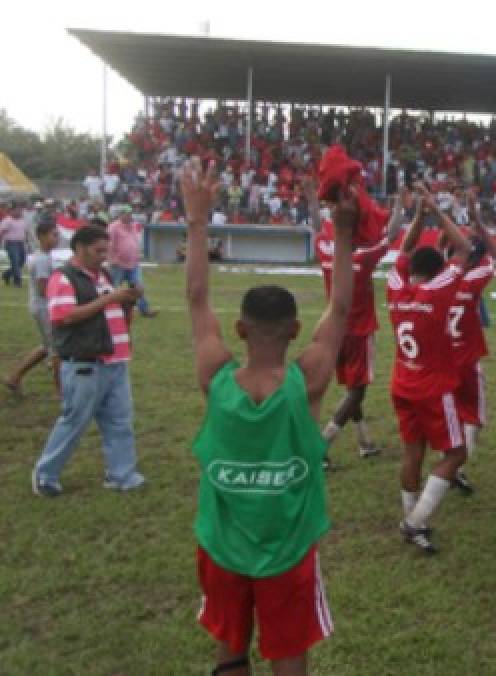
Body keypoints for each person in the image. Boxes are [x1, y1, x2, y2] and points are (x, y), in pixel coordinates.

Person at [179, 157, 353, 676]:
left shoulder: (215, 375)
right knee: (288, 653)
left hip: (223, 548)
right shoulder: (310, 382)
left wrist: (197, 218)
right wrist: (344, 234)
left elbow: (194, 297)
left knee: (230, 649)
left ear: (239, 329)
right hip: (288, 553)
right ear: (296, 329)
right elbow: (341, 310)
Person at [31, 223, 145, 496]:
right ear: (79, 248)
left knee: (119, 420)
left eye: (106, 250)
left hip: (115, 360)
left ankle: (121, 475)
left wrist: (127, 300)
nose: (104, 255)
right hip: (85, 363)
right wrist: (109, 300)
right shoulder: (64, 278)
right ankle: (45, 475)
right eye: (98, 250)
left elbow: (108, 307)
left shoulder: (102, 275)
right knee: (74, 421)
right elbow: (64, 317)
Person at [388, 184, 472, 554]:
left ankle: (413, 519)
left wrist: (419, 218)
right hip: (434, 388)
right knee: (455, 454)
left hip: (402, 382)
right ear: (437, 272)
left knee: (413, 453)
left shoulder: (395, 289)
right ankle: (415, 521)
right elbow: (465, 249)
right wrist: (436, 212)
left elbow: (404, 253)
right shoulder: (436, 292)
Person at [308, 178, 403, 465]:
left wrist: (312, 196)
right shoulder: (363, 255)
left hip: (333, 326)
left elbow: (316, 226)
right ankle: (321, 444)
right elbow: (393, 234)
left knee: (352, 388)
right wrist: (400, 202)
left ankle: (364, 441)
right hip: (359, 330)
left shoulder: (325, 247)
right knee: (358, 389)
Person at [446, 193, 496, 495]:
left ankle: (451, 462)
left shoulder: (440, 279)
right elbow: (495, 252)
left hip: (442, 359)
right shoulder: (473, 279)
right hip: (467, 357)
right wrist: (477, 219)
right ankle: (456, 468)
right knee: (475, 418)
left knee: (451, 415)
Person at [5, 217, 61, 395]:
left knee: (46, 346)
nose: (57, 238)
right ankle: (63, 393)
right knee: (57, 351)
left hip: (41, 306)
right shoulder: (42, 260)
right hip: (44, 307)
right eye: (54, 235)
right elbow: (44, 289)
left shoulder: (43, 257)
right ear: (42, 236)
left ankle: (14, 377)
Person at [106, 206, 158, 318]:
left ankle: (145, 310)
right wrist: (112, 259)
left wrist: (136, 255)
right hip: (118, 264)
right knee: (114, 288)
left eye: (130, 214)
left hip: (133, 263)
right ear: (121, 215)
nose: (130, 216)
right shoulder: (113, 227)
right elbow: (109, 244)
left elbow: (134, 241)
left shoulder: (133, 226)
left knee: (138, 287)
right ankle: (110, 310)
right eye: (127, 214)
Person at [1, 204, 29, 287]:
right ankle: (17, 281)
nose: (19, 212)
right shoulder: (7, 220)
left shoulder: (22, 220)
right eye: (17, 210)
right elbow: (2, 232)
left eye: (20, 210)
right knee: (15, 261)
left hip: (20, 243)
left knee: (22, 261)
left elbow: (25, 232)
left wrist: (27, 242)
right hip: (11, 243)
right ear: (12, 211)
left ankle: (7, 274)